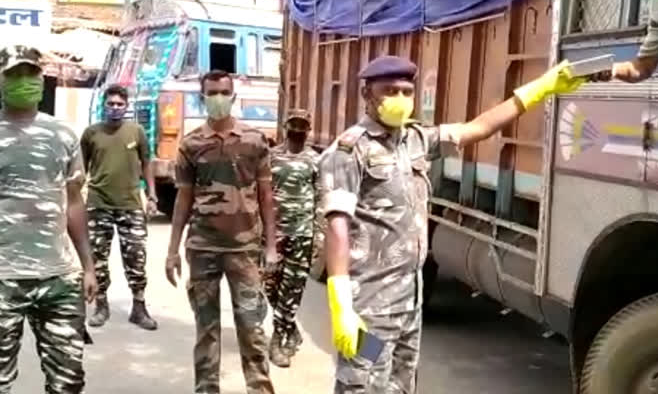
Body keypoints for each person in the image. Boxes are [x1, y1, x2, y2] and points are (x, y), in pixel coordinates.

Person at [320, 55, 584, 393]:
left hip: (407, 303)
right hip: (368, 307)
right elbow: (337, 225)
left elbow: (478, 128)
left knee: (399, 385)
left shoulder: (416, 139)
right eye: (389, 91)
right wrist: (341, 304)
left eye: (406, 91)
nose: (400, 99)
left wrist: (540, 89)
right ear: (367, 94)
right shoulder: (349, 151)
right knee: (363, 384)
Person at [165, 70, 279, 394]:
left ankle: (259, 389)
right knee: (206, 330)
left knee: (251, 328)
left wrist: (271, 247)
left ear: (233, 95)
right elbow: (183, 200)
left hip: (244, 250)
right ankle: (206, 389)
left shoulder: (254, 141)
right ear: (202, 97)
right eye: (211, 92)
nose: (217, 98)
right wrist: (173, 250)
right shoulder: (191, 145)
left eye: (223, 92)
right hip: (203, 250)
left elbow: (267, 197)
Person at [0, 45, 97, 393]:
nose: (24, 82)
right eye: (14, 75)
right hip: (3, 279)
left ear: (42, 79)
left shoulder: (62, 135)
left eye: (30, 74)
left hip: (58, 277)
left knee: (68, 382)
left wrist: (87, 266)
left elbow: (73, 203)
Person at [80, 84, 158, 330]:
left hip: (130, 204)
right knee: (97, 258)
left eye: (119, 104)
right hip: (98, 203)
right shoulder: (91, 133)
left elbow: (147, 164)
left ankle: (139, 306)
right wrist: (74, 198)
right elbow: (81, 167)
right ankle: (101, 306)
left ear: (126, 107)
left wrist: (152, 195)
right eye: (111, 104)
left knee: (136, 257)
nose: (115, 108)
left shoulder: (137, 132)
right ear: (104, 105)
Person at [265, 109, 320, 368]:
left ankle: (279, 338)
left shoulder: (315, 160)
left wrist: (319, 235)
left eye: (303, 126)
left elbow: (321, 198)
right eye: (293, 125)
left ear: (308, 130)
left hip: (302, 234)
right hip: (273, 233)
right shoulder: (271, 157)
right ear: (285, 127)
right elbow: (260, 193)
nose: (297, 130)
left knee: (292, 288)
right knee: (268, 285)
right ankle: (289, 325)